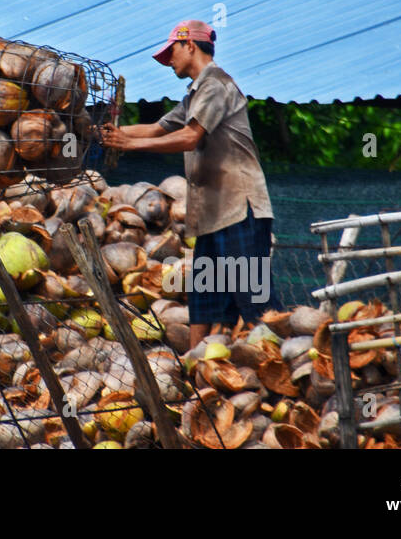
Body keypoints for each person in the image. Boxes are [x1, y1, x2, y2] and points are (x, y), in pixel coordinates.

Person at [99, 20, 276, 351]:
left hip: (239, 208)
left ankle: (283, 365)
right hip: (211, 216)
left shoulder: (217, 85)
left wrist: (128, 145)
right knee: (204, 298)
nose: (170, 62)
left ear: (190, 45)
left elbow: (190, 136)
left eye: (172, 53)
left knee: (254, 298)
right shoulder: (195, 95)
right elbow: (155, 129)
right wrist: (106, 134)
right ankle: (195, 371)